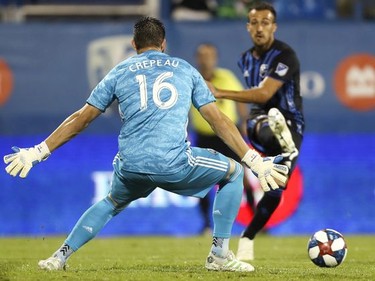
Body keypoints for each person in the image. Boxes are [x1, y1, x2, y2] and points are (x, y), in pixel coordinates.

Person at [3, 17, 288, 272]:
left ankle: (59, 257)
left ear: (133, 44)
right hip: (174, 162)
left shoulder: (118, 71)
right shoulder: (185, 69)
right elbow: (218, 119)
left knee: (111, 202)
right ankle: (219, 256)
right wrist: (253, 159)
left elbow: (81, 118)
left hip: (131, 165)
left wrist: (39, 150)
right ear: (163, 44)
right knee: (235, 172)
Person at [207, 2, 304, 261]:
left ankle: (248, 236)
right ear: (248, 26)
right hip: (260, 119)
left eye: (265, 22)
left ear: (274, 26)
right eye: (255, 23)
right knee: (260, 120)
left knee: (274, 189)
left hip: (292, 123)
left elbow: (263, 92)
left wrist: (221, 92)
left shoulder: (286, 56)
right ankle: (275, 133)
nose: (260, 28)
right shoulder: (245, 59)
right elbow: (258, 100)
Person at [190, 43, 251, 235]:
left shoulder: (225, 77)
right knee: (200, 182)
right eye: (202, 55)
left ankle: (256, 221)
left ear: (215, 58)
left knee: (244, 177)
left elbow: (239, 99)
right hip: (204, 137)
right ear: (197, 59)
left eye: (210, 55)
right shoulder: (191, 79)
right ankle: (206, 225)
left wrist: (244, 124)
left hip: (227, 136)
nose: (206, 59)